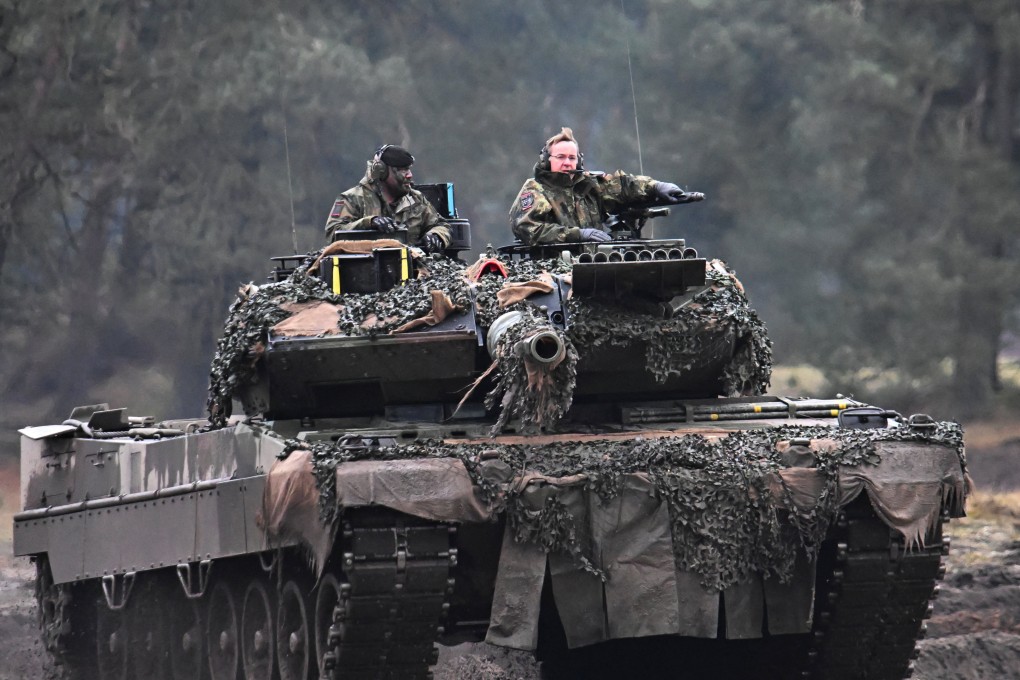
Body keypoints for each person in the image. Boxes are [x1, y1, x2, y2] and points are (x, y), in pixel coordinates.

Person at [508, 127, 702, 245]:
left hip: (594, 261)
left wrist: (657, 187)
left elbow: (624, 187)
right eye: (560, 157)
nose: (567, 162)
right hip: (554, 266)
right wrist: (578, 235)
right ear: (546, 160)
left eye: (572, 158)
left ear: (579, 161)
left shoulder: (588, 186)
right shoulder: (536, 190)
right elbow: (528, 228)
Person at [324, 144, 451, 254]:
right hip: (363, 270)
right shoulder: (353, 199)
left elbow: (441, 225)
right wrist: (369, 223)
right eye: (402, 170)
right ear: (382, 171)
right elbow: (333, 233)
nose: (409, 175)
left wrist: (436, 235)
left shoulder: (415, 200)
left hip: (412, 273)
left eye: (409, 169)